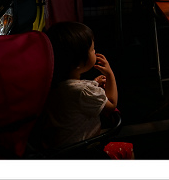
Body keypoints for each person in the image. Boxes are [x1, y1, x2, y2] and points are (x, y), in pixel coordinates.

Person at [40, 21, 133, 159]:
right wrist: (110, 75)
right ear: (78, 63)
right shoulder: (84, 91)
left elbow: (73, 94)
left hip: (58, 149)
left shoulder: (54, 84)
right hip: (84, 151)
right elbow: (111, 104)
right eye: (92, 49)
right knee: (127, 149)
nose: (95, 52)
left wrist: (94, 83)